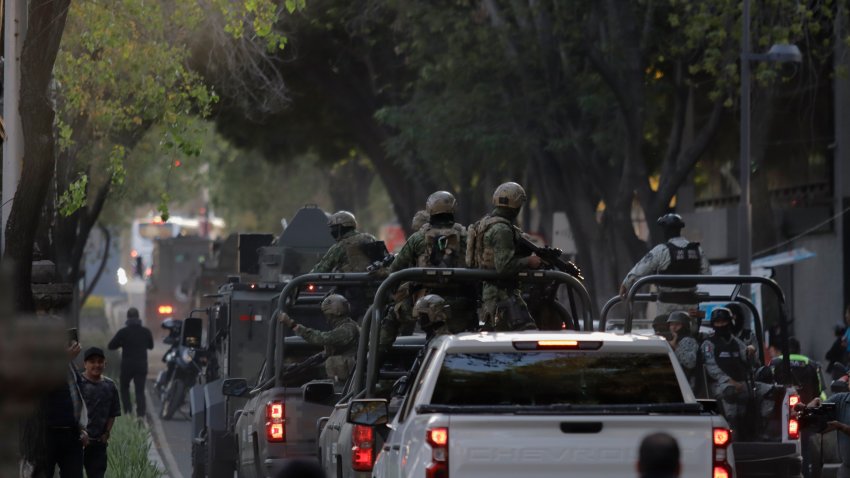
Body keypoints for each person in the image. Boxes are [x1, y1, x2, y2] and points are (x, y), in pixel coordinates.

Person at [383, 191, 473, 336]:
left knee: (391, 314)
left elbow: (395, 268)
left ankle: (376, 356)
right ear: (454, 208)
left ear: (429, 210)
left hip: (425, 306)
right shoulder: (466, 236)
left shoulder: (418, 238)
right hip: (464, 304)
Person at [466, 181, 542, 331]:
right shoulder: (502, 230)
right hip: (502, 296)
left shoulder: (486, 223)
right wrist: (529, 261)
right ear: (517, 205)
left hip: (493, 295)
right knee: (527, 334)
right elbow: (504, 266)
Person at [619, 213, 710, 317]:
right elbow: (707, 273)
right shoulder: (696, 249)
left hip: (667, 306)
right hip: (691, 305)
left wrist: (626, 283)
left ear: (665, 230)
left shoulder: (661, 250)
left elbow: (641, 268)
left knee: (663, 331)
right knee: (691, 332)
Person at [35, 341, 88, 478]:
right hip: (46, 435)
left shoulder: (71, 366)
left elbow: (78, 395)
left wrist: (82, 427)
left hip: (71, 434)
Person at [279, 294, 359, 384]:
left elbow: (321, 338)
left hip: (350, 383)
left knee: (332, 361)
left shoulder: (348, 329)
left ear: (334, 314)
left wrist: (292, 325)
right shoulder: (348, 326)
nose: (327, 320)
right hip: (348, 382)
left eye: (328, 316)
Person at [78, 347, 121, 478]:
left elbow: (112, 413)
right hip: (76, 443)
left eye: (100, 361)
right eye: (92, 361)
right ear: (85, 364)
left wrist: (107, 433)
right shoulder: (77, 383)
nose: (96, 365)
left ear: (105, 363)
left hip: (98, 444)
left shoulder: (110, 386)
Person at [107, 307, 154, 417]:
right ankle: (141, 415)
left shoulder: (123, 332)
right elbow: (151, 346)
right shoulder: (145, 331)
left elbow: (111, 346)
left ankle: (128, 411)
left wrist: (122, 343)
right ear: (138, 317)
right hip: (141, 365)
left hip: (127, 365)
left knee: (124, 388)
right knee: (140, 390)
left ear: (127, 318)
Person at [310, 211, 378, 273]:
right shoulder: (370, 238)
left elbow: (321, 269)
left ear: (340, 227)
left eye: (333, 228)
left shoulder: (340, 247)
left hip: (349, 284)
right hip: (374, 284)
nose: (332, 231)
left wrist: (304, 280)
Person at [667, 311, 699, 389]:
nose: (673, 328)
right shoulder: (672, 339)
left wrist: (676, 347)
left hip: (685, 383)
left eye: (677, 325)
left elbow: (690, 362)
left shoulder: (688, 340)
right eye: (671, 324)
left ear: (685, 326)